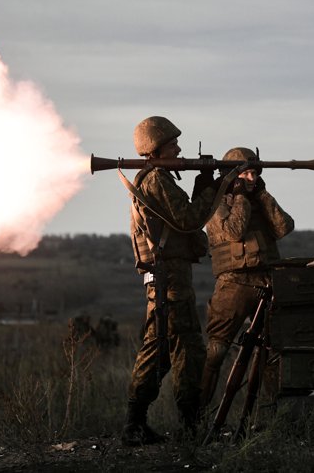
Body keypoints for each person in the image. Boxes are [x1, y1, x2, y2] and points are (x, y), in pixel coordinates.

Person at [122, 115, 223, 446]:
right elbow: (190, 219)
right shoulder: (157, 181)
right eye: (173, 145)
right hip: (169, 282)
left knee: (167, 352)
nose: (179, 149)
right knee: (185, 350)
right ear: (156, 149)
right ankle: (185, 428)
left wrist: (203, 183)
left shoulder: (156, 179)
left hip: (170, 279)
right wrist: (208, 186)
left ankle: (143, 424)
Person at [199, 147, 295, 417]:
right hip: (233, 284)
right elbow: (234, 230)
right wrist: (240, 196)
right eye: (247, 173)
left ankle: (270, 418)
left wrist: (262, 195)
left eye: (256, 173)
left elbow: (284, 227)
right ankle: (194, 419)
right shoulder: (217, 200)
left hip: (267, 281)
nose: (252, 178)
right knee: (216, 352)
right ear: (233, 176)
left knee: (272, 352)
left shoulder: (258, 199)